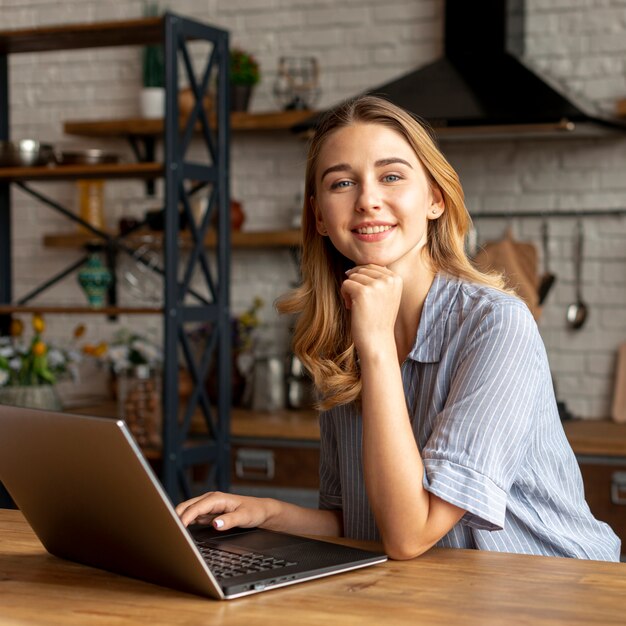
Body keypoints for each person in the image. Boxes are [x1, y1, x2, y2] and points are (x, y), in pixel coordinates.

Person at [177, 95, 620, 562]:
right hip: (447, 597)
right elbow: (367, 521)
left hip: (560, 593)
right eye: (342, 183)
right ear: (320, 217)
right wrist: (267, 513)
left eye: (391, 176)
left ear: (435, 199)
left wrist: (377, 347)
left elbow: (409, 535)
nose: (367, 200)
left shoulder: (496, 323)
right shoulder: (339, 336)